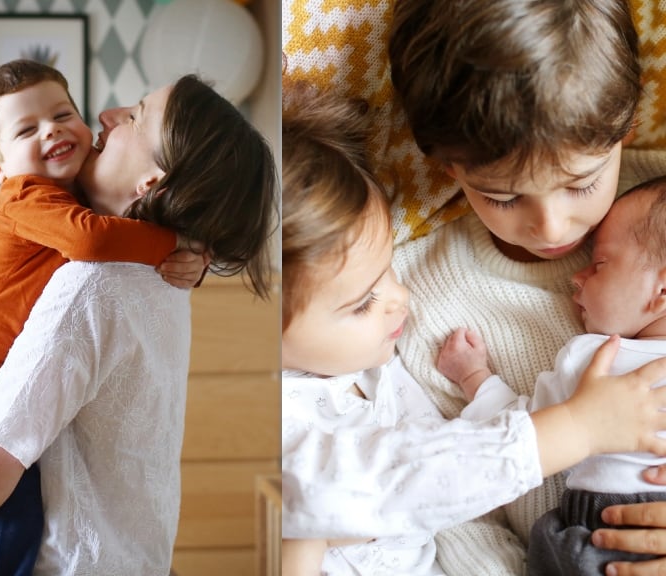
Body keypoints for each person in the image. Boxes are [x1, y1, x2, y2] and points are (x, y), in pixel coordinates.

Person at [280, 81, 666, 575]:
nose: (402, 298)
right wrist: (565, 422)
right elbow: (448, 473)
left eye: (580, 183)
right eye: (363, 302)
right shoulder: (383, 356)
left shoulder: (373, 360)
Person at [0, 73, 277, 575]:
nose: (107, 115)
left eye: (135, 116)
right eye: (26, 129)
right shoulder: (165, 279)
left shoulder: (92, 285)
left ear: (151, 182)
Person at [387, 0, 666, 574]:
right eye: (504, 197)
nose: (552, 228)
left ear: (624, 132)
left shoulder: (656, 206)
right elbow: (453, 513)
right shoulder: (408, 297)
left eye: (581, 183)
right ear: (449, 168)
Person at [436, 177, 666, 575]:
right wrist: (474, 376)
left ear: (661, 292)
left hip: (599, 530)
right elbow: (530, 440)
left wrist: (475, 377)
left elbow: (520, 428)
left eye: (599, 265)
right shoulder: (592, 359)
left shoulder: (594, 359)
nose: (575, 277)